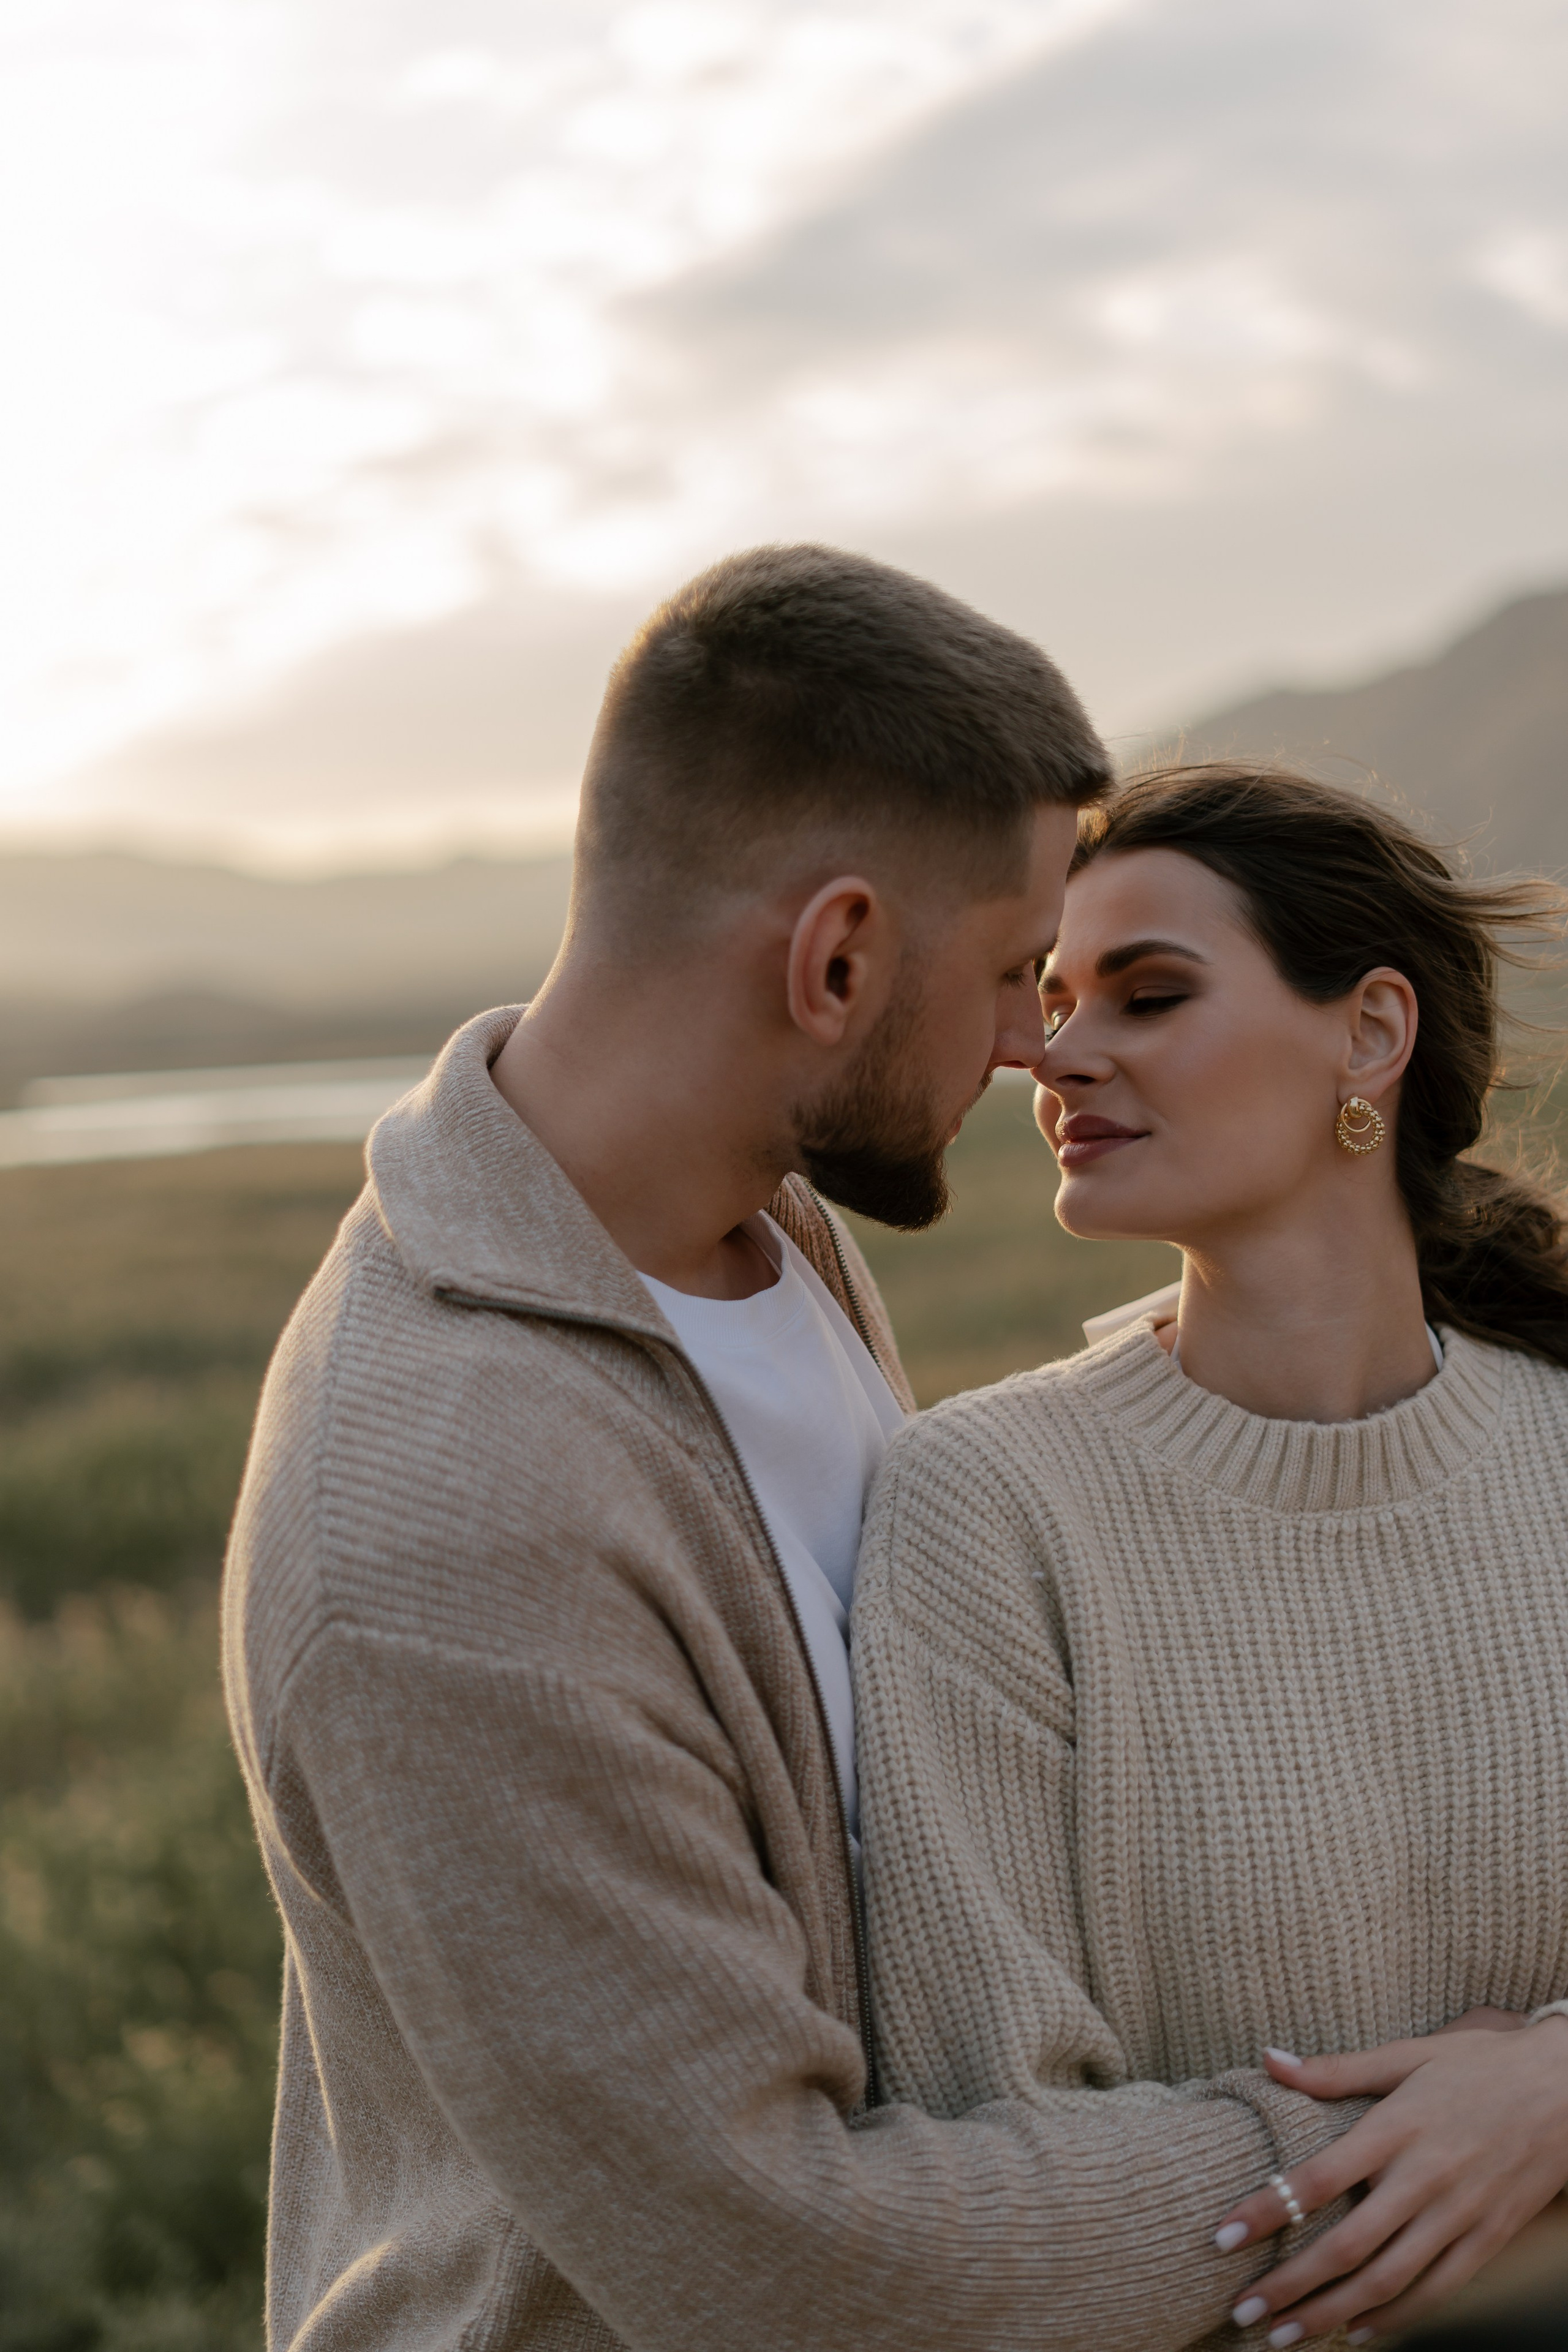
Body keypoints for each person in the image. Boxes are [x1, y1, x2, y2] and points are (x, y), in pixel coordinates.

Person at [222, 541, 1297, 2352]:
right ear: (839, 958)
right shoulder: (451, 1530)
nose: (1046, 1043)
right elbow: (788, 2264)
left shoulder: (772, 1223)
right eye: (1019, 966)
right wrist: (1332, 2149)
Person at [853, 764, 1568, 2352]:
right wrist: (1442, 2146)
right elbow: (996, 2150)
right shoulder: (987, 1506)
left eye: (1148, 993)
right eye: (1047, 999)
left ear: (1371, 1033)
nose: (1055, 1054)